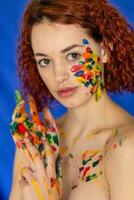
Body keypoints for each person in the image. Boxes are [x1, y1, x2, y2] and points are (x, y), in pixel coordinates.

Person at [9, 0, 134, 199]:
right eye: (45, 61)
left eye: (73, 55)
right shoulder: (35, 144)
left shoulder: (127, 147)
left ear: (104, 50)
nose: (58, 75)